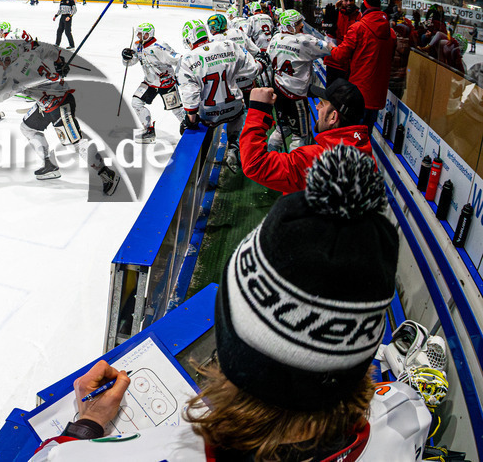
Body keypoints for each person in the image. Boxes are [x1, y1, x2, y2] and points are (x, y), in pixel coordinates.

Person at [29, 145, 432, 462]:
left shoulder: (163, 453)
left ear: (229, 336)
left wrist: (87, 424)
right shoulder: (405, 416)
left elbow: (50, 457)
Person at [0, 40, 120, 195]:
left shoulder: (13, 73)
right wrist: (59, 62)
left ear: (8, 58)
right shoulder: (30, 54)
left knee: (75, 143)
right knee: (28, 128)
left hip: (60, 104)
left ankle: (107, 174)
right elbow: (47, 48)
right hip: (48, 102)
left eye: (0, 59)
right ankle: (49, 165)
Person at [241, 78, 370, 195]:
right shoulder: (364, 150)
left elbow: (254, 164)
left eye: (322, 104)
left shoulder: (317, 160)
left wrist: (258, 110)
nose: (317, 107)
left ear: (333, 117)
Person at [178, 20, 261, 172]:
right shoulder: (229, 46)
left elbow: (190, 94)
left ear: (190, 39)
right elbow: (253, 70)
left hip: (209, 115)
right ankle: (234, 146)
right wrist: (262, 63)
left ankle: (200, 172)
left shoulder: (187, 59)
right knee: (237, 119)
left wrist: (190, 119)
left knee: (198, 134)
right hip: (235, 107)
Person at [323, 0, 396, 129]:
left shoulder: (358, 28)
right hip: (377, 97)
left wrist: (330, 45)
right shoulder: (391, 33)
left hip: (358, 94)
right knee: (365, 135)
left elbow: (340, 55)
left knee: (352, 134)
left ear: (364, 8)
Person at [264, 9, 334, 150]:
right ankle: (295, 163)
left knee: (282, 128)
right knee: (301, 135)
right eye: (298, 23)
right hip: (296, 96)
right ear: (290, 26)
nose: (302, 25)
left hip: (279, 91)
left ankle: (270, 155)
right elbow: (331, 48)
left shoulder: (275, 39)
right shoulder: (304, 41)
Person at [122, 23, 185, 143]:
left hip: (166, 84)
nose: (139, 36)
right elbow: (131, 62)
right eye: (138, 34)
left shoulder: (159, 47)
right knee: (136, 102)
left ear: (148, 34)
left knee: (177, 110)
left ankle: (190, 129)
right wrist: (126, 58)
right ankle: (149, 131)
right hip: (150, 83)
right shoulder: (138, 46)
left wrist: (186, 71)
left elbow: (178, 59)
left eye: (141, 34)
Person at [322, 0, 361, 84]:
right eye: (346, 0)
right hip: (333, 62)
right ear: (341, 0)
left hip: (349, 64)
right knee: (331, 91)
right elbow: (327, 34)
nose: (348, 3)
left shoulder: (358, 16)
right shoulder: (335, 14)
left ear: (354, 0)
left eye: (351, 0)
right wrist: (329, 24)